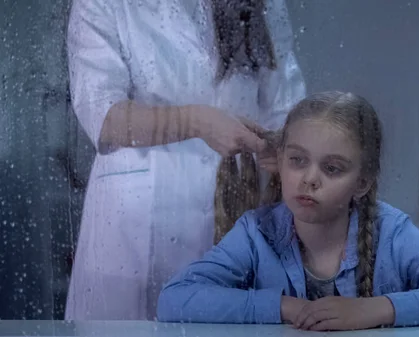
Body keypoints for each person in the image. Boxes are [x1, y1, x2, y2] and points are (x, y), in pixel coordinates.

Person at [156, 91, 419, 330]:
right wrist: (287, 307)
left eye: (332, 168)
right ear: (281, 162)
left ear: (362, 183)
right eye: (297, 160)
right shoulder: (256, 232)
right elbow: (174, 300)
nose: (309, 179)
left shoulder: (390, 231)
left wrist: (376, 310)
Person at [65, 0, 305, 320]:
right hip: (136, 227)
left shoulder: (262, 4)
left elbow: (287, 108)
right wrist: (195, 122)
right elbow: (105, 117)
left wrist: (284, 147)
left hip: (237, 211)